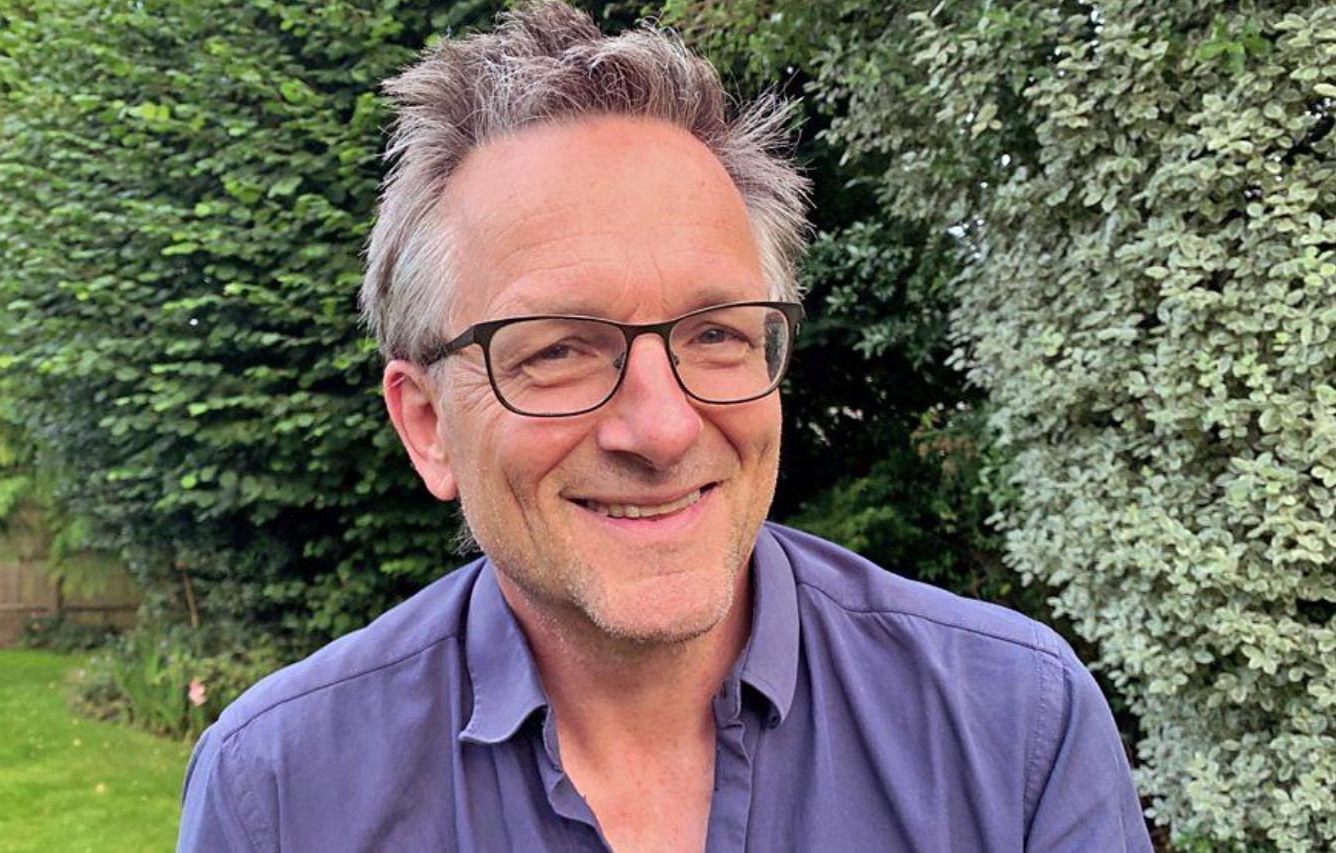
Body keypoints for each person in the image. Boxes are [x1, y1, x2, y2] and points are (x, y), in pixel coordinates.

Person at [176, 3, 1154, 851]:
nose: (662, 428)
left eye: (717, 333)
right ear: (427, 424)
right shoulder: (280, 794)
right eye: (559, 348)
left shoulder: (1014, 730)